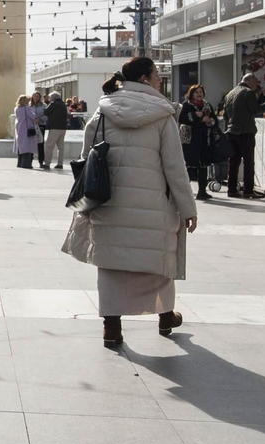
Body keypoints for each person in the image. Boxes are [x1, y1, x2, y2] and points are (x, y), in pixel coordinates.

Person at [61, 56, 197, 351]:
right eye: (157, 75)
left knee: (111, 265)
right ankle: (164, 317)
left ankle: (111, 328)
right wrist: (188, 208)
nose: (161, 80)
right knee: (157, 264)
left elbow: (88, 156)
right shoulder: (162, 115)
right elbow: (175, 167)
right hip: (153, 205)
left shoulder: (101, 112)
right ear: (145, 80)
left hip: (107, 202)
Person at [221, 72, 262, 198]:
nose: (256, 85)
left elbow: (225, 115)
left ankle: (232, 189)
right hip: (245, 131)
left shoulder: (230, 93)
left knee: (233, 162)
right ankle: (248, 190)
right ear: (250, 81)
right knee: (248, 162)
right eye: (255, 82)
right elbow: (255, 110)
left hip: (232, 131)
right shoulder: (248, 92)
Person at [178, 84, 215, 201]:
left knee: (203, 166)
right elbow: (180, 118)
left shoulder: (207, 106)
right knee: (188, 166)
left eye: (201, 92)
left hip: (204, 139)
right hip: (189, 141)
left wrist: (209, 121)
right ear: (191, 94)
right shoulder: (186, 105)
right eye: (196, 92)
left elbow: (214, 120)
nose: (199, 94)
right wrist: (194, 115)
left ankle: (202, 191)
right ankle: (184, 191)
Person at [43, 91, 69, 170]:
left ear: (53, 98)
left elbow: (45, 111)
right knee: (61, 147)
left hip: (54, 128)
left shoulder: (53, 104)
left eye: (50, 98)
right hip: (63, 128)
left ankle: (47, 163)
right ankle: (60, 164)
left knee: (49, 146)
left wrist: (48, 104)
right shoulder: (64, 105)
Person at [13, 94, 37, 169]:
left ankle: (20, 163)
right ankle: (26, 163)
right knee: (27, 146)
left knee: (20, 146)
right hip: (27, 128)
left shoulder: (16, 108)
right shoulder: (26, 108)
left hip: (19, 128)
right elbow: (33, 116)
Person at [30, 90, 48, 168]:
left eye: (37, 96)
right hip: (31, 127)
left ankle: (41, 161)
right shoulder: (29, 105)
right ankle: (29, 161)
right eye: (34, 96)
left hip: (41, 126)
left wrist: (40, 119)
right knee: (31, 143)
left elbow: (47, 116)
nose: (36, 97)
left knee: (40, 144)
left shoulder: (43, 106)